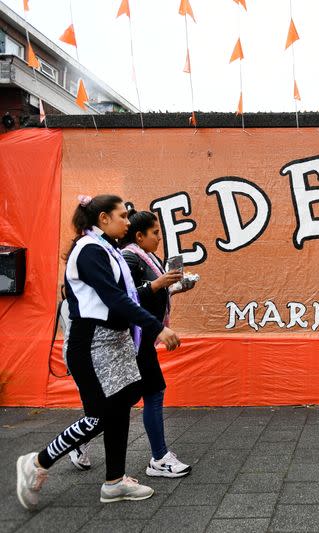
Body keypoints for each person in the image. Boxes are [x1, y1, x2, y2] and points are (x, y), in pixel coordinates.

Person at [16, 194, 180, 510]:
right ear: (103, 218)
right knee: (100, 415)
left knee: (124, 402)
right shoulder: (89, 250)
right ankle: (37, 462)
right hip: (92, 344)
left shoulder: (109, 249)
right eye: (122, 216)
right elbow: (115, 298)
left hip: (115, 342)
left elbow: (129, 294)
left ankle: (115, 482)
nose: (128, 222)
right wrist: (156, 327)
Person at [118, 207, 194, 477]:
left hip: (144, 338)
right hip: (134, 339)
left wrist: (173, 286)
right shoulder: (128, 258)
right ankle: (159, 458)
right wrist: (158, 283)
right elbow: (124, 298)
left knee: (125, 400)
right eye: (154, 233)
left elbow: (152, 293)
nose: (159, 238)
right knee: (151, 393)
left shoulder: (148, 257)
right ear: (139, 236)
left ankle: (80, 441)